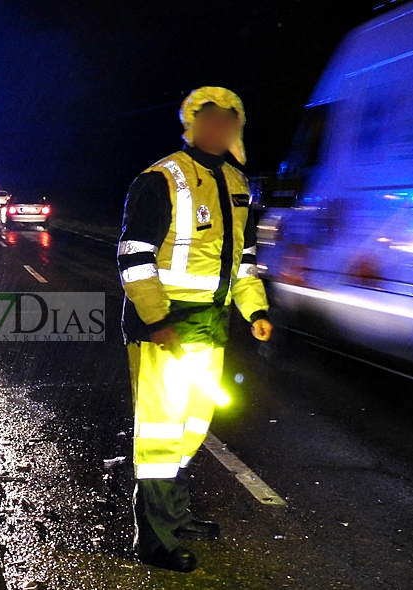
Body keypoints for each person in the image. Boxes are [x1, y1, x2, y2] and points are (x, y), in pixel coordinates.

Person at [116, 86, 274, 572]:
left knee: (192, 425)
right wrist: (158, 319)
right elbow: (134, 256)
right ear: (191, 124)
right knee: (161, 433)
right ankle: (154, 540)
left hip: (212, 324)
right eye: (210, 121)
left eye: (229, 123)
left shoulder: (236, 183)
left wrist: (255, 311)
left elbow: (243, 260)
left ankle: (177, 516)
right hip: (167, 326)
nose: (219, 130)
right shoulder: (161, 179)